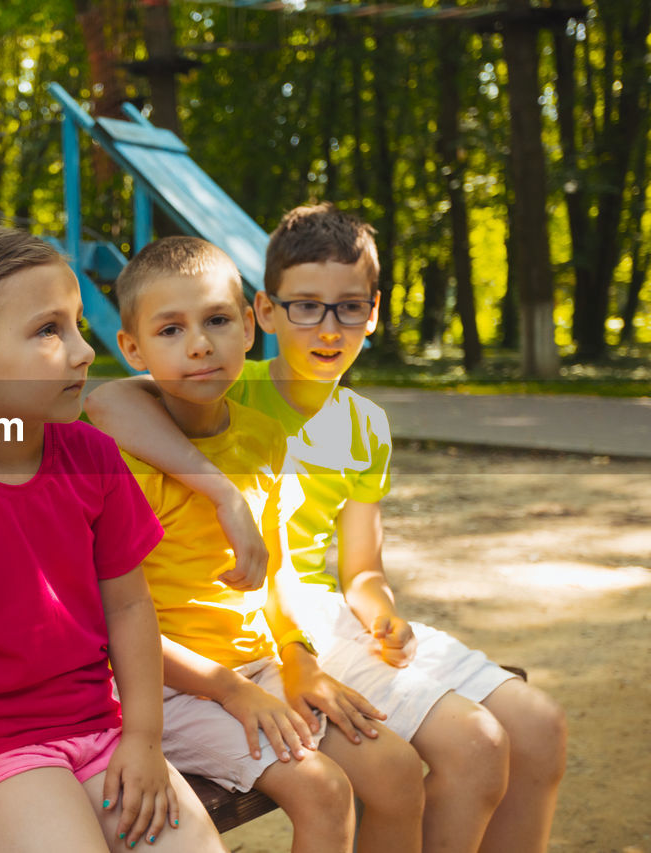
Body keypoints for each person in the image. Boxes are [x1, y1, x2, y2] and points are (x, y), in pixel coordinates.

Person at [86, 205, 567, 853]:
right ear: (267, 313)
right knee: (457, 747)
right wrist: (224, 495)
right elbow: (104, 398)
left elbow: (357, 566)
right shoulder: (224, 385)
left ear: (373, 312)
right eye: (306, 306)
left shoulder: (348, 424)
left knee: (533, 727)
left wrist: (378, 610)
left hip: (301, 627)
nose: (328, 327)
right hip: (235, 648)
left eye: (348, 307)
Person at [0, 221, 227, 853]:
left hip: (100, 731)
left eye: (77, 324)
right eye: (48, 331)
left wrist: (143, 738)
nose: (83, 350)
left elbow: (131, 605)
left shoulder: (92, 455)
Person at [111, 235, 424, 853]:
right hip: (162, 687)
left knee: (398, 770)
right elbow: (116, 619)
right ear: (132, 348)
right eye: (170, 330)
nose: (200, 343)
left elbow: (278, 571)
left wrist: (297, 658)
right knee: (324, 791)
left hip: (257, 668)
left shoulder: (262, 436)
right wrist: (232, 690)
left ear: (251, 328)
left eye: (218, 321)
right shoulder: (123, 460)